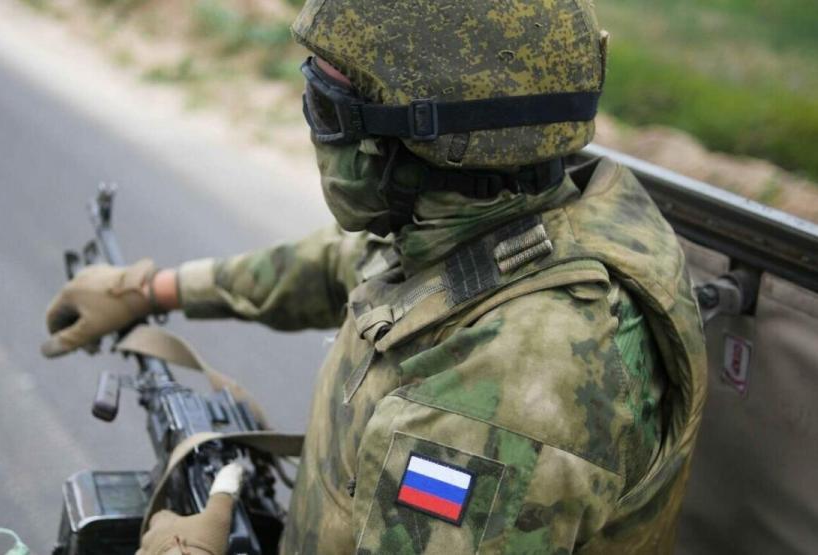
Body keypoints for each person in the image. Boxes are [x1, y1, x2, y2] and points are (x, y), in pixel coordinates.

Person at [42, 0, 707, 552]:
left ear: (424, 141)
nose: (314, 128)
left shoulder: (500, 398)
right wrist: (154, 289)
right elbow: (352, 262)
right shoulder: (503, 217)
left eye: (328, 107)